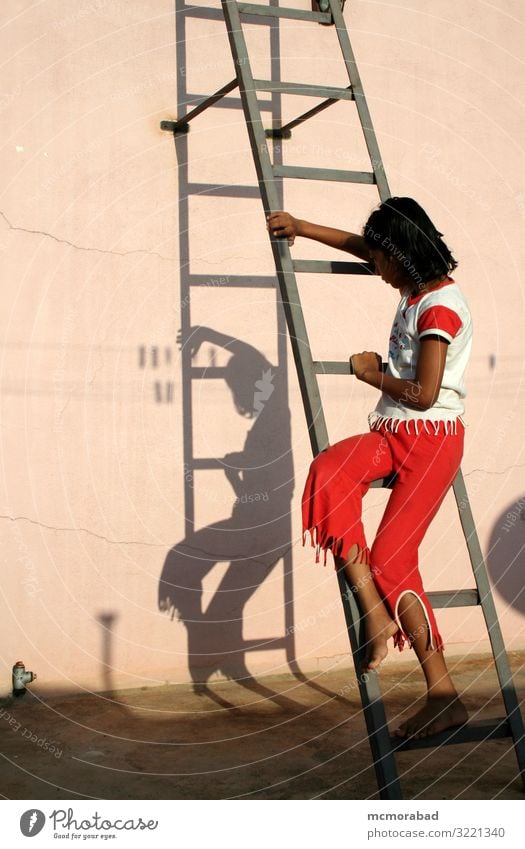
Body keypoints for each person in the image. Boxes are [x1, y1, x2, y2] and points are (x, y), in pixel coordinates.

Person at [267, 197, 472, 738]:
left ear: (402, 257)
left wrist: (371, 375)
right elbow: (362, 246)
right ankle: (374, 614)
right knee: (329, 469)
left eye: (381, 260)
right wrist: (302, 226)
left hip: (432, 443)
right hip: (391, 433)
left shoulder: (439, 309)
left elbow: (425, 395)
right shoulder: (411, 285)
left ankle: (444, 693)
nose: (373, 267)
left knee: (393, 559)